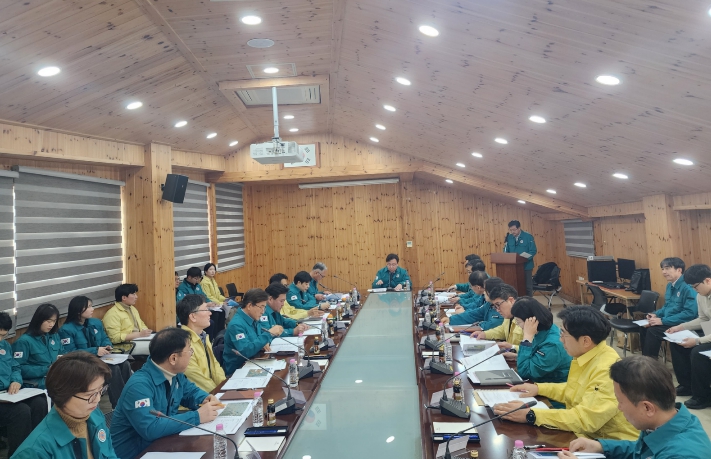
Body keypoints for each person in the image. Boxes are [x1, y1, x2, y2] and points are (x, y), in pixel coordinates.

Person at [494, 305, 638, 441]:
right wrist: (538, 388)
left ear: (585, 341)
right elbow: (574, 390)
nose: (560, 339)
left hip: (610, 444)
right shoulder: (589, 354)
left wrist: (531, 415)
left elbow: (584, 419)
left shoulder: (606, 370)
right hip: (586, 436)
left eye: (564, 334)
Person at [558, 356, 711, 459]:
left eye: (620, 401)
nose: (619, 408)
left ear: (647, 408)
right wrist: (601, 446)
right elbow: (640, 451)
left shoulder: (682, 454)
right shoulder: (667, 422)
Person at [110, 328, 221, 459]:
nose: (191, 354)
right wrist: (197, 417)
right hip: (137, 453)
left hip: (164, 444)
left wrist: (204, 398)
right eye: (189, 351)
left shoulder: (175, 373)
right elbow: (150, 428)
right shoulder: (139, 386)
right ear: (173, 358)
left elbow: (189, 391)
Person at [11, 352, 118, 459]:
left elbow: (110, 455)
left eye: (101, 390)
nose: (98, 399)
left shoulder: (94, 415)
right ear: (63, 394)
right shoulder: (34, 452)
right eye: (90, 395)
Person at [59, 296, 132, 409]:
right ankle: (119, 406)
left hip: (101, 359)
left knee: (125, 364)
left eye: (91, 306)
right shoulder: (66, 330)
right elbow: (70, 352)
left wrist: (107, 345)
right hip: (83, 363)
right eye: (89, 307)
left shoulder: (96, 323)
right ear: (78, 310)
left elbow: (104, 338)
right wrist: (95, 351)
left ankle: (130, 398)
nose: (92, 309)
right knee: (112, 369)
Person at [0, 311, 47, 457]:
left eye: (3, 335)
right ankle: (19, 455)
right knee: (21, 411)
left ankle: (37, 449)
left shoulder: (5, 346)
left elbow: (15, 366)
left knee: (39, 403)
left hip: (9, 393)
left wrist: (16, 380)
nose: (0, 339)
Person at [666, 263, 711, 408]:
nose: (694, 290)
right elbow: (703, 319)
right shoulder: (701, 295)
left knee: (698, 352)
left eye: (696, 286)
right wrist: (680, 327)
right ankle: (686, 385)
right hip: (709, 329)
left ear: (708, 280)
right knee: (678, 343)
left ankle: (703, 396)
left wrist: (697, 341)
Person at [640, 257, 697, 359]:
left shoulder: (688, 287)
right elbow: (667, 306)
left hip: (683, 323)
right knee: (645, 326)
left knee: (653, 331)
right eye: (662, 269)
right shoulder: (669, 286)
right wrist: (655, 314)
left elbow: (689, 314)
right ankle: (644, 361)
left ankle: (649, 364)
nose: (664, 272)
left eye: (667, 268)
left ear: (679, 270)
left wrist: (662, 321)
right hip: (670, 320)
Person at [510, 297, 571, 386]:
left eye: (518, 321)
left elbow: (525, 372)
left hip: (550, 390)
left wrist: (527, 338)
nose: (517, 325)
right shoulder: (545, 331)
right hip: (539, 384)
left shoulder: (552, 345)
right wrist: (516, 356)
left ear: (532, 320)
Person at [223, 289, 281, 374]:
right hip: (238, 370)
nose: (263, 311)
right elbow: (246, 351)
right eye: (261, 307)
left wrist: (263, 343)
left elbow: (257, 338)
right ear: (249, 306)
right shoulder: (236, 325)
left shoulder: (253, 318)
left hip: (255, 361)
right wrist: (268, 334)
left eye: (264, 307)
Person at [177, 294, 226, 393]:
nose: (210, 313)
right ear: (193, 316)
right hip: (199, 398)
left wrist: (225, 387)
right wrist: (218, 393)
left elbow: (215, 367)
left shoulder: (203, 336)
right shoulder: (183, 344)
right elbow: (197, 378)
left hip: (212, 393)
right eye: (205, 309)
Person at [12, 303, 66, 389]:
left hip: (56, 376)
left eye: (54, 321)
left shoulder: (54, 336)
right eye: (48, 321)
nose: (51, 324)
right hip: (37, 382)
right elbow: (18, 368)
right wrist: (46, 369)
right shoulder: (24, 341)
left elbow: (63, 353)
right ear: (39, 320)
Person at [470, 284, 523, 360]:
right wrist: (485, 334)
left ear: (511, 300)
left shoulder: (526, 318)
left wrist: (513, 347)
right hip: (511, 358)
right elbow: (502, 330)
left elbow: (535, 350)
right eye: (495, 306)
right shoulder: (508, 316)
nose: (497, 310)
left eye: (498, 305)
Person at [178, 267, 223, 338]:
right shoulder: (182, 288)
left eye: (199, 278)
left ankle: (218, 336)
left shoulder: (198, 285)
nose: (198, 280)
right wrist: (205, 304)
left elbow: (204, 296)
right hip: (193, 312)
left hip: (201, 309)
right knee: (211, 321)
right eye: (196, 278)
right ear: (189, 277)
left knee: (220, 312)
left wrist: (210, 303)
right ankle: (209, 338)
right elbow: (186, 304)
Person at [504, 220, 537, 296]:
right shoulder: (509, 237)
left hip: (526, 266)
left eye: (514, 230)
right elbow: (506, 250)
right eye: (511, 230)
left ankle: (529, 302)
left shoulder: (528, 237)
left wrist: (523, 259)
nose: (513, 232)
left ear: (519, 228)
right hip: (513, 267)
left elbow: (533, 251)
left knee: (527, 287)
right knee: (514, 286)